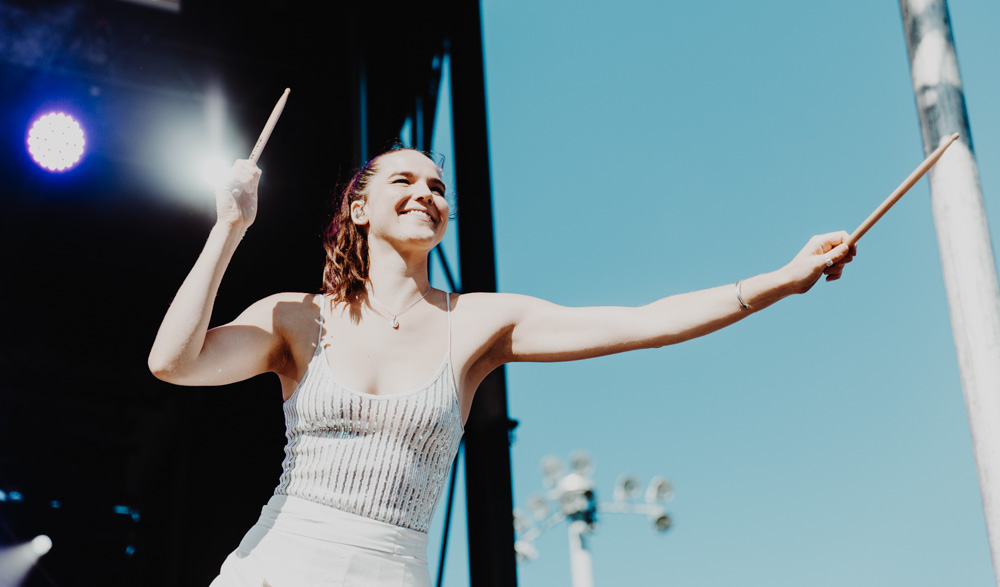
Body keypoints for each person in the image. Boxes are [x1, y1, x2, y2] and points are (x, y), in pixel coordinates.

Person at [148, 146, 856, 586]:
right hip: (275, 566)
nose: (427, 191)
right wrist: (229, 227)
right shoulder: (296, 315)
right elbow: (174, 362)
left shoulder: (478, 322)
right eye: (405, 179)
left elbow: (644, 322)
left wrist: (780, 279)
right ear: (360, 208)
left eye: (438, 186)